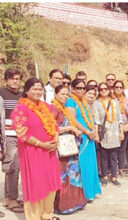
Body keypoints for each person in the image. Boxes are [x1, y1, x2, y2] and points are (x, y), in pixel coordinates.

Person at [11, 78, 61, 220]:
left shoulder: (45, 106)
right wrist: (42, 144)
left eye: (40, 89)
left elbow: (54, 125)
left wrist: (55, 138)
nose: (38, 92)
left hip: (49, 151)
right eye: (34, 89)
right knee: (36, 183)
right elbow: (22, 134)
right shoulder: (20, 109)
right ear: (26, 91)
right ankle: (34, 216)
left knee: (50, 182)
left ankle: (47, 214)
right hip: (32, 151)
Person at [52, 85, 87, 214]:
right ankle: (63, 205)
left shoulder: (65, 109)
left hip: (70, 146)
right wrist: (69, 129)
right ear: (55, 94)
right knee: (63, 177)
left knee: (74, 175)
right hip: (61, 148)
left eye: (67, 94)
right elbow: (52, 129)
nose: (65, 97)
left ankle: (75, 202)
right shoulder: (53, 109)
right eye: (62, 94)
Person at [66, 79, 101, 201]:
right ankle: (84, 193)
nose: (81, 90)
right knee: (83, 164)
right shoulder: (70, 101)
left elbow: (91, 118)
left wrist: (93, 132)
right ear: (72, 88)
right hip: (81, 136)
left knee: (91, 163)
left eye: (83, 88)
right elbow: (72, 119)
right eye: (78, 88)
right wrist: (87, 132)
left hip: (90, 136)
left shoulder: (84, 102)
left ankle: (91, 191)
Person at [0, 68, 23, 214]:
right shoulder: (1, 94)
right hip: (8, 135)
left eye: (18, 79)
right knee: (12, 166)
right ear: (6, 79)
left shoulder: (22, 95)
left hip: (21, 135)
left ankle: (8, 197)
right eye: (13, 78)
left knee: (13, 167)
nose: (15, 81)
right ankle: (12, 198)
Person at [94, 82, 123, 186]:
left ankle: (114, 176)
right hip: (104, 133)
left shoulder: (114, 102)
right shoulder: (96, 103)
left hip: (114, 132)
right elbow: (96, 120)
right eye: (101, 89)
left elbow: (120, 118)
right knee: (104, 156)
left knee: (114, 156)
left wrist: (121, 132)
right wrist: (96, 134)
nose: (103, 91)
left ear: (109, 89)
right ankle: (105, 176)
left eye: (105, 88)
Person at [112, 80, 128, 175]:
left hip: (124, 127)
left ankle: (121, 168)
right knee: (113, 149)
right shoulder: (109, 99)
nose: (118, 89)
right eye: (116, 87)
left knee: (122, 149)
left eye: (120, 87)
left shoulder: (126, 100)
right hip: (112, 128)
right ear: (113, 88)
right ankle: (112, 169)